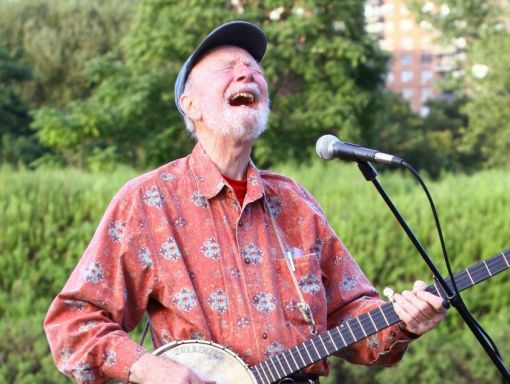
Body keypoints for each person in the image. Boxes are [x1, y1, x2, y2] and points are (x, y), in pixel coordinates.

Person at [44, 20, 447, 384]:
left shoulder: (294, 203)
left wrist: (404, 322)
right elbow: (73, 321)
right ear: (191, 105)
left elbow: (351, 318)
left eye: (255, 68)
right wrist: (148, 367)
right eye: (228, 67)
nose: (247, 72)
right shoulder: (148, 201)